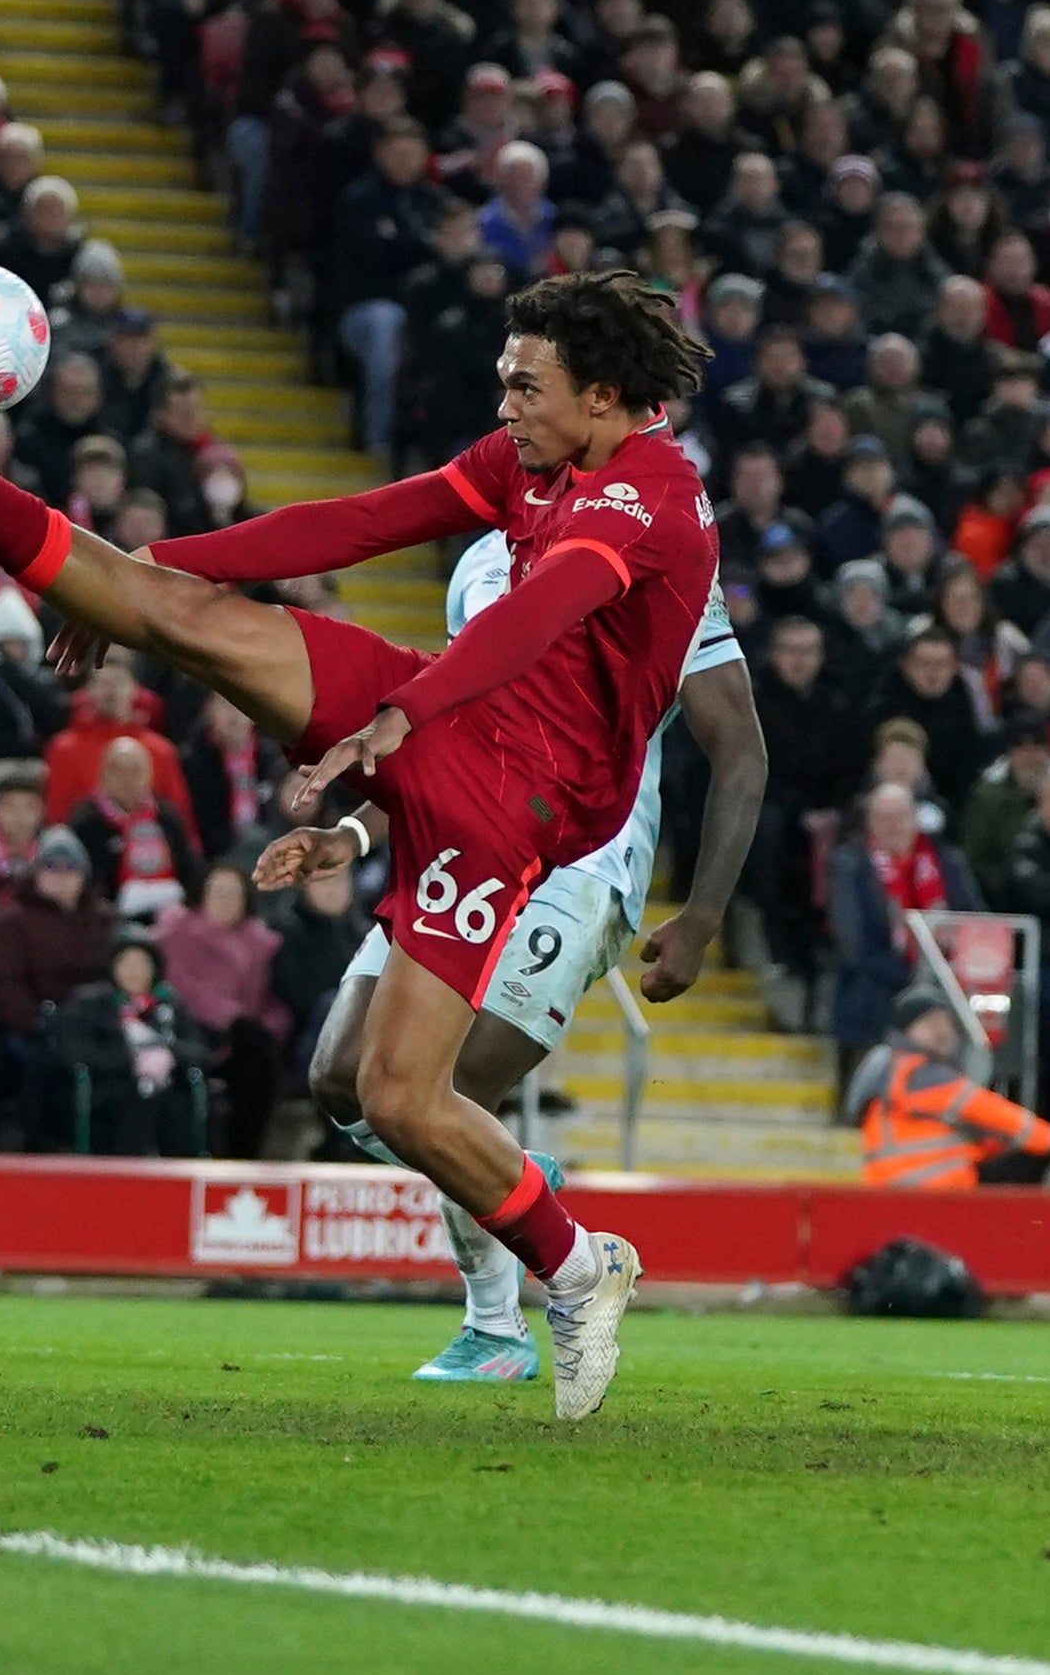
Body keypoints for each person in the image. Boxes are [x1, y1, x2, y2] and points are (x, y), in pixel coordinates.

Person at [0, 266, 715, 1419]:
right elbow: (354, 524)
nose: (503, 403)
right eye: (504, 380)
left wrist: (400, 720)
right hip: (450, 716)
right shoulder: (535, 458)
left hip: (524, 798)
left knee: (399, 1095)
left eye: (526, 385)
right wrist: (159, 569)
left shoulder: (646, 495)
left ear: (603, 397)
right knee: (187, 618)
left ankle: (574, 1268)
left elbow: (533, 614)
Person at [310, 515, 758, 1383]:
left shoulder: (664, 568)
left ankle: (496, 1331)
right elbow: (444, 734)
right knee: (341, 1074)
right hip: (462, 845)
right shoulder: (480, 562)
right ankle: (514, 1177)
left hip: (583, 859)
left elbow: (739, 750)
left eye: (530, 391)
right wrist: (358, 837)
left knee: (443, 1084)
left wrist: (702, 915)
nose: (513, 415)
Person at [851, 988, 1050, 1188]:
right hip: (939, 1191)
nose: (943, 1031)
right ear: (905, 1032)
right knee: (1043, 1148)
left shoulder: (884, 1072)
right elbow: (1041, 1137)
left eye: (946, 1022)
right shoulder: (931, 1079)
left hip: (886, 1190)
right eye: (931, 1023)